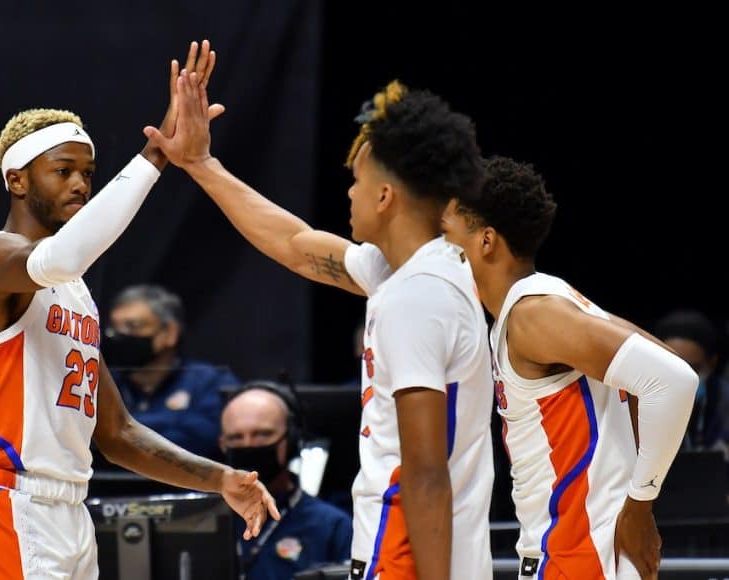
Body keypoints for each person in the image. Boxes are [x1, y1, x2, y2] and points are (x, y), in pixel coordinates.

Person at [0, 41, 278, 580]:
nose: (79, 183)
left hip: (70, 513)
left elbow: (118, 434)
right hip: (2, 503)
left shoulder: (74, 291)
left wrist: (219, 479)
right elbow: (65, 253)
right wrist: (160, 153)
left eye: (88, 173)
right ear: (17, 180)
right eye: (62, 170)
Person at [146, 75, 493, 578]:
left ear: (385, 197)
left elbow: (424, 472)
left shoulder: (416, 296)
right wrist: (201, 164)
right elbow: (296, 244)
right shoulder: (415, 272)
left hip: (409, 551)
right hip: (422, 544)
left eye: (356, 180)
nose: (348, 192)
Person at [441, 155, 698, 579]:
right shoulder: (544, 301)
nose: (439, 249)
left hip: (581, 558)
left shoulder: (533, 314)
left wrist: (638, 505)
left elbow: (674, 380)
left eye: (446, 233)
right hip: (570, 553)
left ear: (485, 241)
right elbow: (659, 371)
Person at [221, 381, 352, 580]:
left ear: (292, 438)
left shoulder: (332, 526)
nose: (248, 445)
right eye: (236, 438)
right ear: (222, 445)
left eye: (262, 435)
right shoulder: (201, 520)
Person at [104, 283, 239, 460]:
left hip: (187, 486)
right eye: (115, 327)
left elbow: (202, 440)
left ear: (170, 332)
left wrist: (123, 429)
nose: (119, 335)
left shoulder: (211, 383)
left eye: (133, 326)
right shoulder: (101, 383)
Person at [653, 309, 728, 453]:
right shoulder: (639, 404)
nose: (683, 379)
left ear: (712, 363)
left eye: (693, 368)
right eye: (672, 367)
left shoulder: (725, 402)